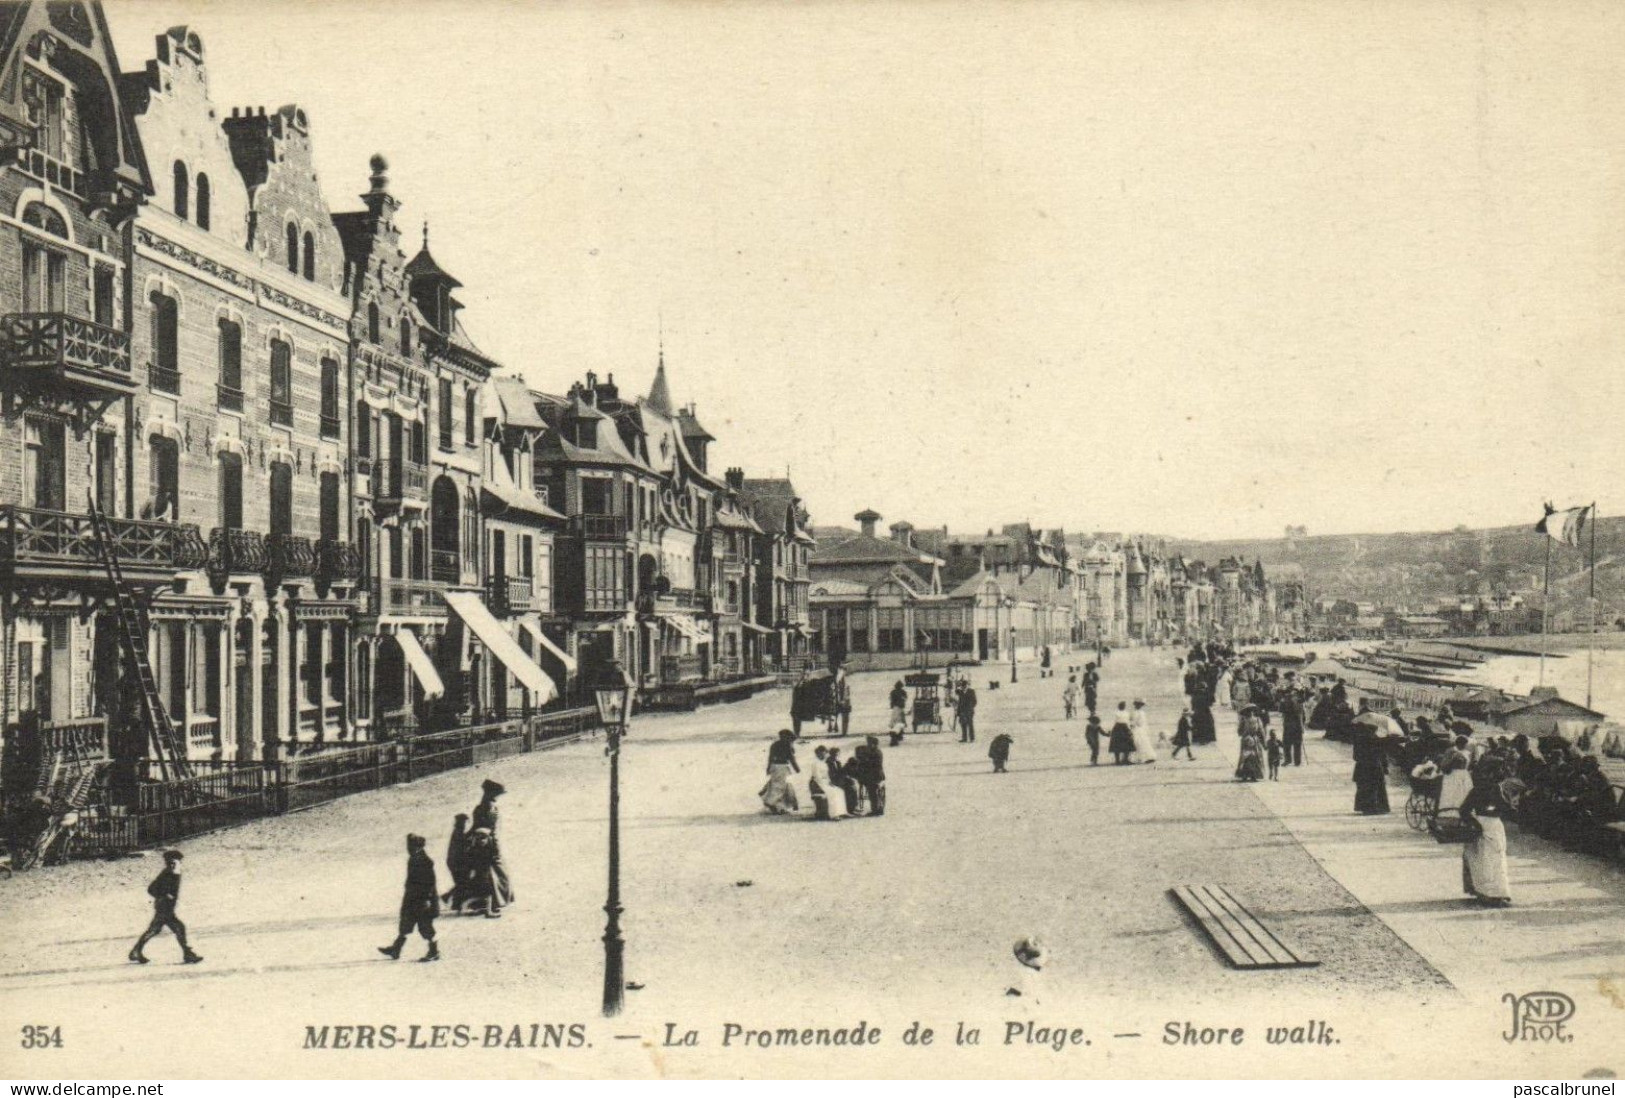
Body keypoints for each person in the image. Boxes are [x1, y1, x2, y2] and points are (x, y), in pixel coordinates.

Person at [129, 850, 202, 965]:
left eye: (178, 861)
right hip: (164, 907)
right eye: (175, 861)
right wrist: (165, 894)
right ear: (170, 862)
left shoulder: (173, 873)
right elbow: (152, 888)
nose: (178, 863)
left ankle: (136, 951)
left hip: (166, 907)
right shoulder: (168, 873)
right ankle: (187, 954)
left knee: (158, 929)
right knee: (176, 928)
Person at [379, 833, 441, 961]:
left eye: (411, 846)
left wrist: (427, 899)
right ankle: (396, 949)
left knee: (425, 927)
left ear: (418, 847)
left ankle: (434, 951)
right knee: (406, 924)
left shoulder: (425, 861)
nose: (408, 848)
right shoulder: (414, 858)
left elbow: (429, 882)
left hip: (422, 900)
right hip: (412, 899)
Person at [1460, 768, 1513, 905]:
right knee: (1494, 859)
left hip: (1483, 824)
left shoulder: (1477, 790)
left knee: (1483, 859)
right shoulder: (1496, 790)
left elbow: (1463, 810)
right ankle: (1495, 893)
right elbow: (1507, 810)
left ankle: (1485, 891)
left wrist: (1474, 822)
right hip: (1492, 826)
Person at [470, 779, 513, 914]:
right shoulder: (489, 807)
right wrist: (495, 846)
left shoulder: (482, 806)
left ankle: (486, 903)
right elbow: (491, 830)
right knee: (496, 874)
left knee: (486, 874)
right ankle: (494, 903)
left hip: (482, 843)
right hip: (488, 844)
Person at [1352, 720, 1392, 815]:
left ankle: (1364, 807)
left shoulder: (1359, 739)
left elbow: (1355, 756)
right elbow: (1382, 754)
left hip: (1361, 767)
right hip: (1374, 766)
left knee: (1363, 788)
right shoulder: (1376, 739)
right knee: (1375, 787)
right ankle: (1376, 807)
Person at [760, 729, 801, 815]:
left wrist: (768, 768)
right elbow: (791, 758)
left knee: (776, 785)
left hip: (774, 766)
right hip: (782, 767)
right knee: (781, 786)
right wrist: (797, 768)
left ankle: (779, 807)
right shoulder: (787, 745)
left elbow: (770, 757)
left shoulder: (774, 744)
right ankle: (771, 802)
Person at [441, 813, 472, 911]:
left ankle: (454, 902)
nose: (466, 824)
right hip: (456, 863)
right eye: (465, 822)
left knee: (461, 883)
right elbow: (463, 845)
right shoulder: (458, 832)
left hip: (454, 862)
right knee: (462, 883)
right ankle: (448, 898)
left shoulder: (457, 831)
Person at [808, 746, 844, 820]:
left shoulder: (824, 763)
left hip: (825, 782)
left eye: (824, 753)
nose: (823, 755)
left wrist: (829, 782)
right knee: (832, 793)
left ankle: (839, 813)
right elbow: (817, 776)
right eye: (820, 754)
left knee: (839, 791)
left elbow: (827, 775)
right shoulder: (815, 763)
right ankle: (833, 815)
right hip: (817, 783)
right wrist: (824, 784)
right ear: (817, 754)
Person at [855, 735, 886, 816]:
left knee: (872, 791)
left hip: (875, 776)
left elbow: (872, 765)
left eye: (869, 743)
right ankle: (878, 809)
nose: (868, 745)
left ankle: (875, 810)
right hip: (875, 775)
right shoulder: (873, 751)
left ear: (874, 744)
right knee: (873, 790)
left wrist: (863, 762)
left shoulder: (876, 753)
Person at [1233, 706, 1266, 782]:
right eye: (1250, 711)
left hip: (1250, 740)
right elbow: (1261, 732)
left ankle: (1249, 775)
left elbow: (1239, 732)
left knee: (1250, 757)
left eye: (1252, 711)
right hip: (1251, 740)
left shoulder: (1250, 720)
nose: (1251, 713)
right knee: (1250, 757)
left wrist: (1263, 742)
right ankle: (1249, 775)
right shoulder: (1253, 720)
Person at [827, 746, 860, 815]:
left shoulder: (837, 762)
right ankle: (850, 809)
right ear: (831, 754)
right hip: (832, 781)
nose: (837, 756)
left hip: (839, 780)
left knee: (852, 785)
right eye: (835, 755)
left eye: (838, 755)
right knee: (849, 788)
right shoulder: (828, 763)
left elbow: (842, 772)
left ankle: (854, 806)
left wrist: (848, 777)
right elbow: (830, 775)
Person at [1279, 686, 1305, 766]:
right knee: (1290, 743)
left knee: (1293, 743)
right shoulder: (1296, 702)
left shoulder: (1288, 701)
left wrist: (1301, 726)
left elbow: (1300, 715)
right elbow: (1283, 713)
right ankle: (1294, 761)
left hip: (1292, 724)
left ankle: (1292, 760)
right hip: (1291, 724)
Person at [1129, 699, 1156, 764]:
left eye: (1141, 705)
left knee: (1142, 742)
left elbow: (1142, 722)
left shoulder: (1141, 712)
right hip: (1137, 728)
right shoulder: (1134, 712)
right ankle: (1139, 758)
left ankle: (1147, 757)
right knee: (1138, 742)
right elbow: (1132, 721)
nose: (1140, 706)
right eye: (1139, 705)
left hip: (1140, 729)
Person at [832, 668, 852, 736]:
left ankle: (843, 731)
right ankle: (843, 731)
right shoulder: (841, 675)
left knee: (845, 715)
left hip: (842, 697)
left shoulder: (841, 676)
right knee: (845, 716)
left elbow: (845, 688)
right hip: (841, 697)